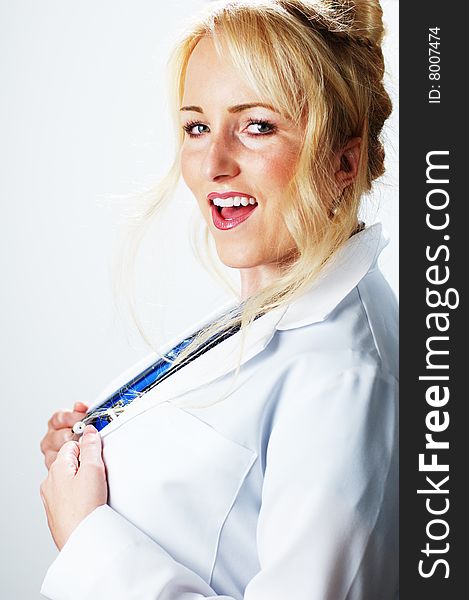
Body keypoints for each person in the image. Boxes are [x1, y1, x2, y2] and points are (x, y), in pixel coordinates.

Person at [40, 0, 398, 598]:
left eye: (257, 125)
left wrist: (86, 536)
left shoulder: (346, 376)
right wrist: (101, 444)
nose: (213, 164)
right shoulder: (274, 311)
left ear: (343, 160)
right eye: (196, 127)